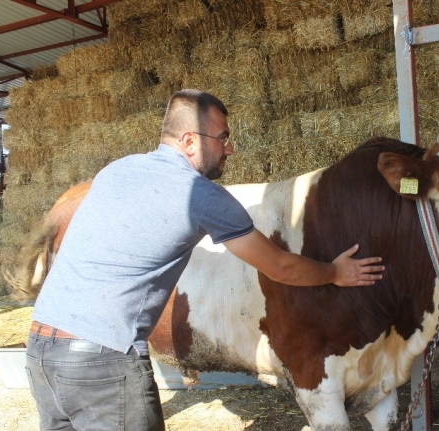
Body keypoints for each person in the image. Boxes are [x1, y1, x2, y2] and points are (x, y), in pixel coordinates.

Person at [25, 89, 385, 431]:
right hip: (102, 363)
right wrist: (336, 272)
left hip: (42, 351)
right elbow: (280, 267)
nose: (229, 149)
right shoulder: (200, 196)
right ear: (189, 141)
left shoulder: (116, 170)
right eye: (222, 137)